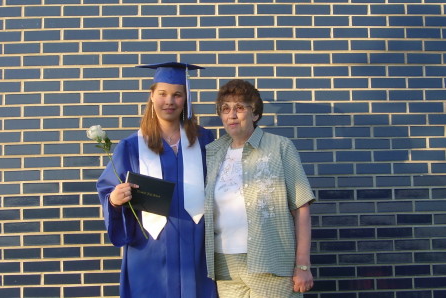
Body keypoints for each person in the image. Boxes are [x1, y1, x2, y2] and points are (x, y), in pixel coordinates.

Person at [97, 62, 217, 298]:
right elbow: (108, 189)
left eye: (177, 95)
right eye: (162, 94)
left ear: (186, 99)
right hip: (149, 249)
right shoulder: (131, 146)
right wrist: (114, 199)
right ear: (151, 96)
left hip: (197, 247)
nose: (169, 101)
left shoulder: (204, 139)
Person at [204, 79, 315, 298]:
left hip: (270, 263)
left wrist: (303, 266)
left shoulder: (280, 147)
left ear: (255, 114)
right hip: (225, 264)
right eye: (225, 109)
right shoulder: (213, 152)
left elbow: (301, 208)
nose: (231, 115)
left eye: (240, 108)